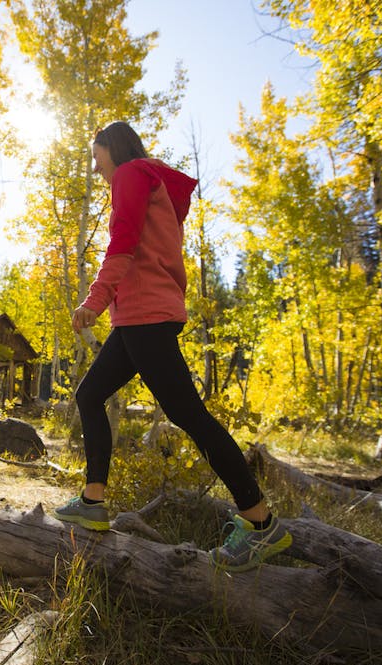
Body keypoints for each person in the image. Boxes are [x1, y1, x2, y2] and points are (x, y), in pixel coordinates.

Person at [50, 121, 292, 572]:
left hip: (145, 316)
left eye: (96, 154)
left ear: (111, 148)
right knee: (89, 395)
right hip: (137, 319)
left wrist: (94, 302)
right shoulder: (149, 181)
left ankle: (261, 524)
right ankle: (92, 500)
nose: (95, 166)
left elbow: (122, 244)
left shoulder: (130, 175)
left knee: (189, 416)